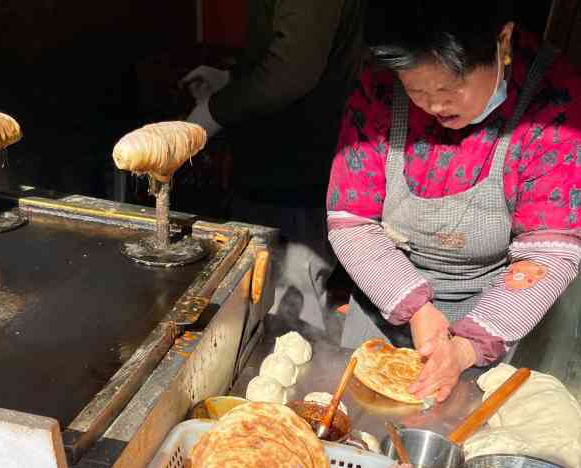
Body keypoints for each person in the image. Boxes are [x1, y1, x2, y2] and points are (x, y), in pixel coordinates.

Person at [327, 3, 581, 401]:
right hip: (385, 294)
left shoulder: (552, 101)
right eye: (415, 89)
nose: (433, 106)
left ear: (502, 41)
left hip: (497, 311)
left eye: (448, 88)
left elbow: (547, 254)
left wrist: (464, 347)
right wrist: (416, 309)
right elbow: (351, 220)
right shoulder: (378, 86)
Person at [181, 0, 364, 334]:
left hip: (294, 176)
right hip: (275, 172)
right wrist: (231, 79)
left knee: (286, 324)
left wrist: (212, 113)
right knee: (260, 311)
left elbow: (292, 71)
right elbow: (290, 51)